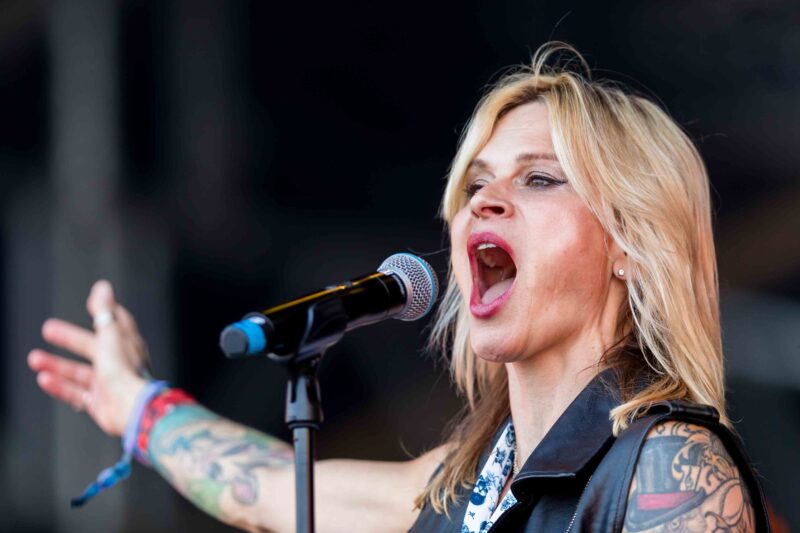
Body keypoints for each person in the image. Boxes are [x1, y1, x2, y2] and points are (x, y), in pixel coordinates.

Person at [28, 43, 769, 532]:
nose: (486, 200)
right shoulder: (464, 487)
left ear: (630, 244)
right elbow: (273, 488)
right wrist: (138, 405)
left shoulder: (668, 466)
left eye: (540, 179)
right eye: (475, 184)